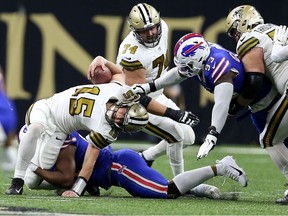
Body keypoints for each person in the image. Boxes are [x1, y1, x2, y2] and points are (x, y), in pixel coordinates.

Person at [5, 56, 198, 197]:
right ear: (125, 105)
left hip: (60, 131)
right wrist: (102, 60)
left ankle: (30, 172)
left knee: (34, 181)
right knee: (36, 128)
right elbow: (122, 76)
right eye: (124, 114)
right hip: (46, 107)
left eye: (122, 123)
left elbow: (89, 161)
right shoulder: (119, 91)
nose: (119, 117)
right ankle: (16, 181)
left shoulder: (107, 129)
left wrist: (76, 189)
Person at [132, 32, 288, 203]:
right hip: (258, 107)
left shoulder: (219, 66)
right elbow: (179, 72)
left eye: (187, 66)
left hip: (273, 102)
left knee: (269, 140)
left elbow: (222, 105)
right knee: (273, 144)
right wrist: (149, 87)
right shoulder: (203, 56)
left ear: (197, 59)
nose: (184, 70)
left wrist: (212, 135)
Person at [88, 3, 198, 179]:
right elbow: (136, 97)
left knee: (189, 137)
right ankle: (180, 183)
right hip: (134, 106)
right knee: (176, 135)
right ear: (133, 30)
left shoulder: (164, 27)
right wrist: (172, 114)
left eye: (153, 28)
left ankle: (146, 156)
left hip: (156, 94)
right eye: (144, 31)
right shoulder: (132, 53)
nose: (151, 33)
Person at [21, 128, 248, 198]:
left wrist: (35, 168)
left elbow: (68, 177)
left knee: (167, 191)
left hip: (120, 169)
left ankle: (221, 167)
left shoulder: (60, 143)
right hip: (118, 164)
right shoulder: (57, 136)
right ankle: (198, 188)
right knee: (161, 186)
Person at [224, 5, 288, 204]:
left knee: (268, 139)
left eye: (235, 31)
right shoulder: (277, 29)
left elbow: (254, 81)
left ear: (242, 23)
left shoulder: (248, 38)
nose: (236, 36)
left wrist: (237, 104)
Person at [0, 66, 18, 171]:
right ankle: (14, 165)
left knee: (7, 141)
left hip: (4, 114)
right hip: (9, 111)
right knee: (9, 142)